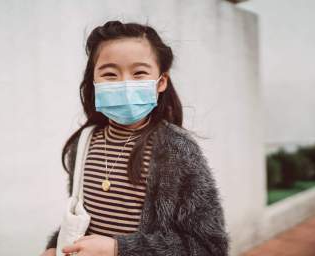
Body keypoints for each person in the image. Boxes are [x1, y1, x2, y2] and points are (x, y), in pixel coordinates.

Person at [41, 20, 230, 256]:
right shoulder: (83, 144)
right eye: (110, 73)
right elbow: (80, 218)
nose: (125, 84)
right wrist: (55, 246)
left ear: (160, 83)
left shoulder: (177, 150)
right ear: (94, 82)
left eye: (139, 73)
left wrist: (119, 249)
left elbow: (210, 247)